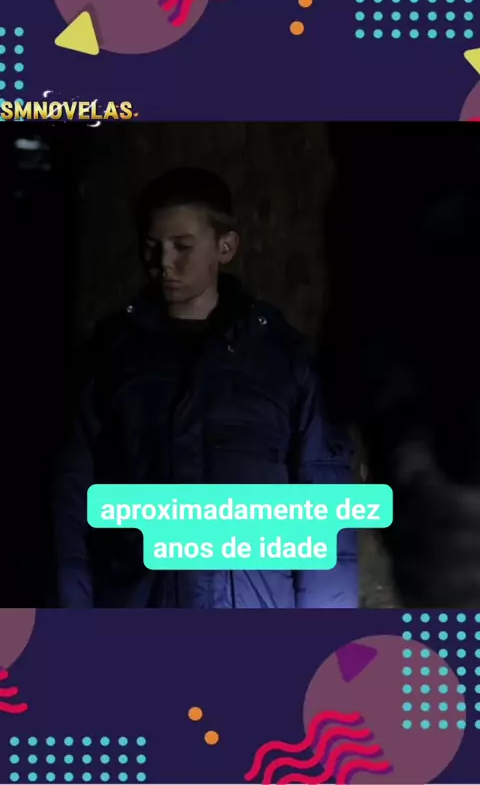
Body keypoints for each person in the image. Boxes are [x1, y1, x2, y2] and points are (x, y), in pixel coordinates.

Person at [53, 167, 358, 608]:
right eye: (152, 246)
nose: (164, 263)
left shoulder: (285, 359)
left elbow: (325, 510)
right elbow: (73, 495)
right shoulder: (111, 357)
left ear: (225, 247)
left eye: (182, 247)